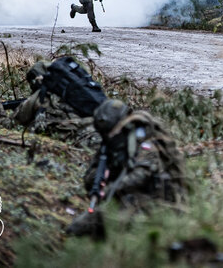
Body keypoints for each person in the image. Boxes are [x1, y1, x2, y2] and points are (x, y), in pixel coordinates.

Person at [66, 99, 186, 236]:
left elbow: (141, 174)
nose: (108, 136)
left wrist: (111, 189)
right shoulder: (111, 145)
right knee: (76, 228)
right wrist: (97, 181)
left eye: (111, 132)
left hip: (156, 203)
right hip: (123, 200)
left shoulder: (144, 138)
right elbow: (91, 175)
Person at [5, 60, 98, 145]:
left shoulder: (41, 95)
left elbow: (11, 124)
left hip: (77, 141)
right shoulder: (76, 91)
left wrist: (1, 114)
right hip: (97, 134)